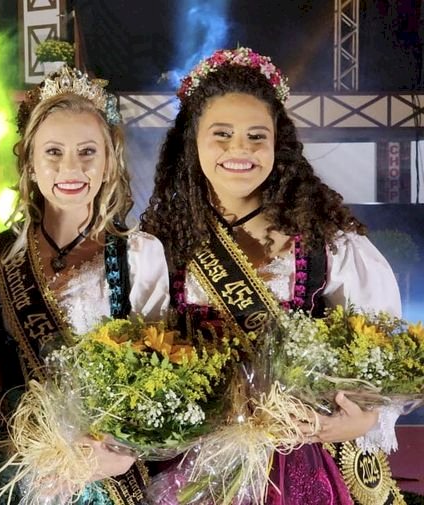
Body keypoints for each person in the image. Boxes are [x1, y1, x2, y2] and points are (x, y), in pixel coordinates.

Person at [140, 47, 403, 505]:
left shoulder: (331, 246)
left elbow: (382, 362)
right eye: (221, 134)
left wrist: (359, 419)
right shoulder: (158, 248)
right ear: (191, 142)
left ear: (277, 144)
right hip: (194, 468)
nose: (239, 149)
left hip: (299, 464)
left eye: (255, 136)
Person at [0, 65, 170, 504]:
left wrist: (124, 452)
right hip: (21, 469)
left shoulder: (140, 255)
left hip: (109, 470)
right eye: (53, 151)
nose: (71, 167)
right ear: (29, 163)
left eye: (88, 151)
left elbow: (163, 373)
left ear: (109, 163)